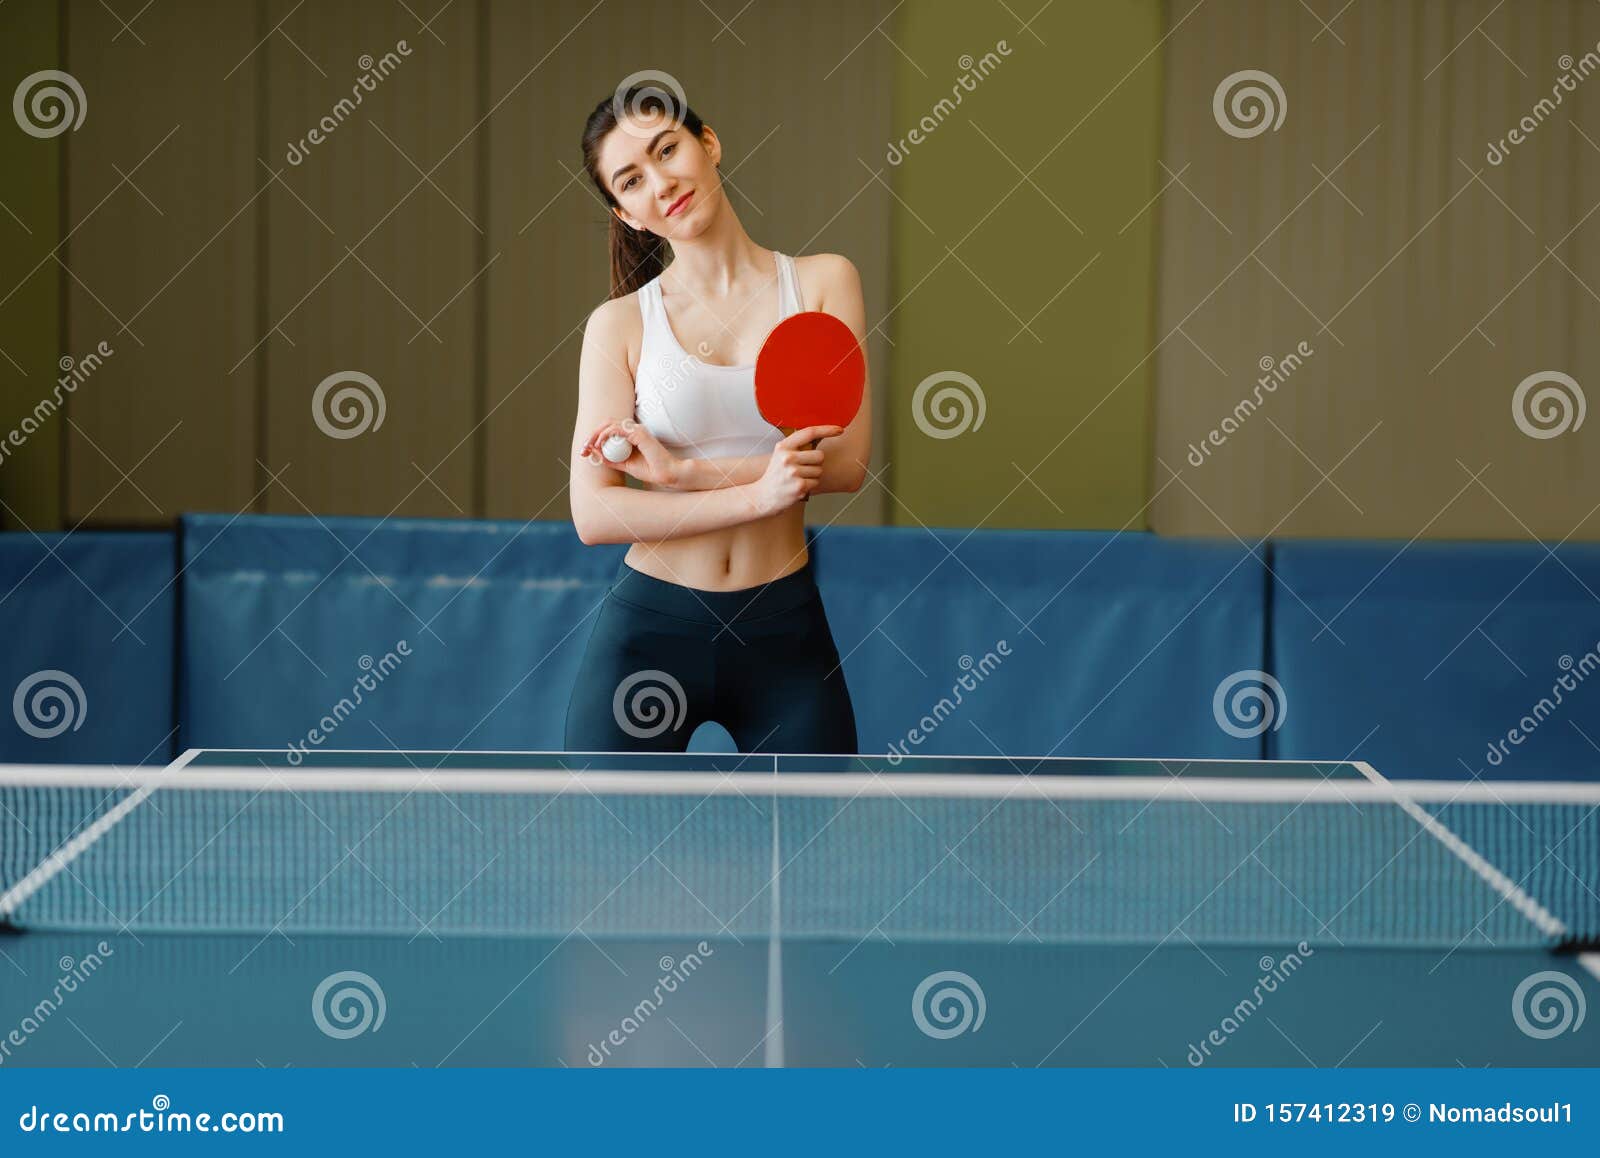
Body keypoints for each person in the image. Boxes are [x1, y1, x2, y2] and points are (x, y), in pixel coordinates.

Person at [563, 84, 866, 755]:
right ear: (626, 213)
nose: (661, 181)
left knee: (818, 858)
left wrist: (684, 473)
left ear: (709, 144)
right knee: (604, 860)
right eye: (632, 180)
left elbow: (844, 465)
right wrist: (760, 492)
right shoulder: (618, 325)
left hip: (783, 632)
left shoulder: (821, 284)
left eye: (667, 149)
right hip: (649, 632)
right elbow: (596, 516)